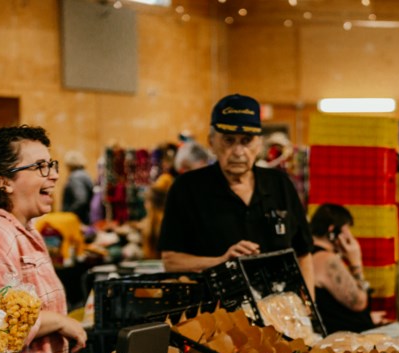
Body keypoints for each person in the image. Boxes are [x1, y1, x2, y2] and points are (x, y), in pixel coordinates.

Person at [158, 93, 315, 294]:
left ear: (259, 144)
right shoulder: (187, 188)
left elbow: (303, 254)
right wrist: (221, 262)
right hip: (216, 316)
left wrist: (307, 311)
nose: (238, 151)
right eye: (229, 141)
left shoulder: (279, 184)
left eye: (246, 141)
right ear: (211, 142)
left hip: (279, 314)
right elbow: (171, 261)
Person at [0, 125, 87, 353]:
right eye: (40, 166)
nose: (54, 175)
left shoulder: (25, 230)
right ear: (5, 180)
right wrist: (58, 321)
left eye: (52, 164)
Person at [308, 203, 383, 332]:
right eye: (347, 229)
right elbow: (358, 303)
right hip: (342, 339)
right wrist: (356, 262)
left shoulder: (310, 255)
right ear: (333, 231)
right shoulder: (327, 260)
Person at [61, 150, 93, 225]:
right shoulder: (85, 175)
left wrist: (69, 215)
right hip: (86, 218)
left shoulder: (75, 177)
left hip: (78, 221)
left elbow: (81, 199)